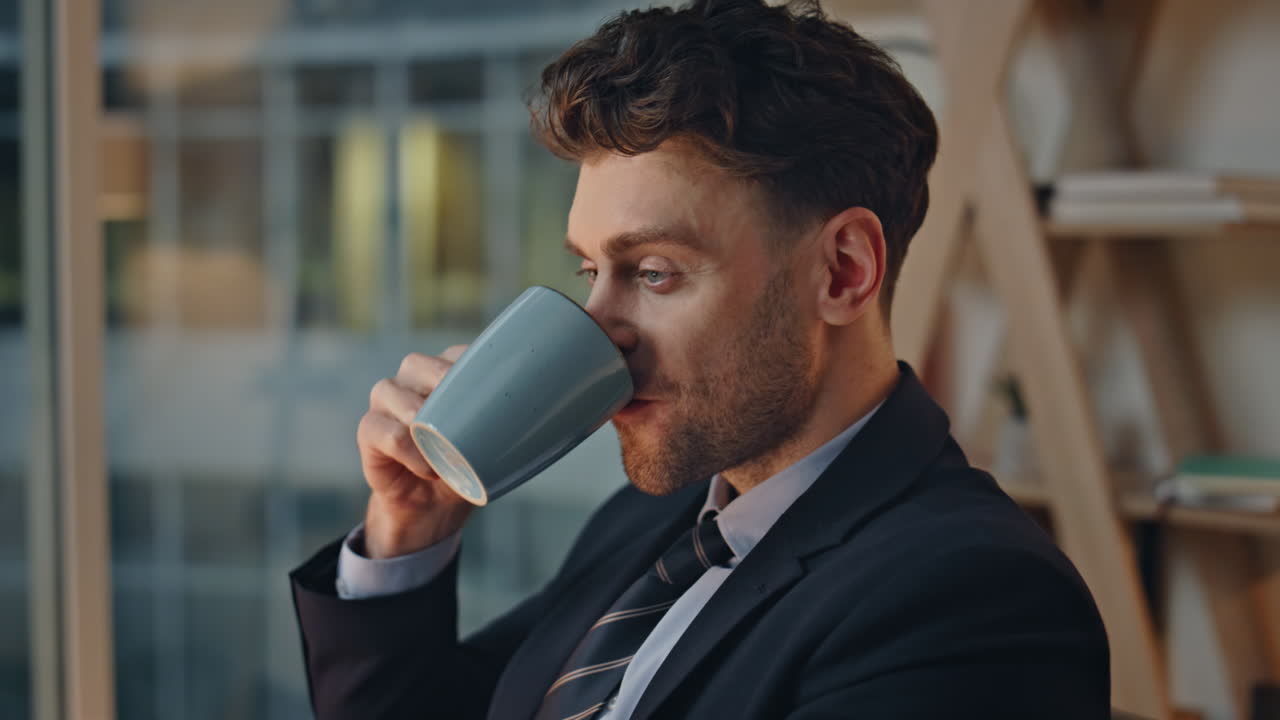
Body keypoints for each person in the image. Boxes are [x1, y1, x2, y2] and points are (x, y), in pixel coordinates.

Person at [289, 0, 1111, 718]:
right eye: (589, 271)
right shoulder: (654, 520)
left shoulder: (972, 599)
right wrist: (407, 536)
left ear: (843, 272)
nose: (597, 327)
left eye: (654, 273)